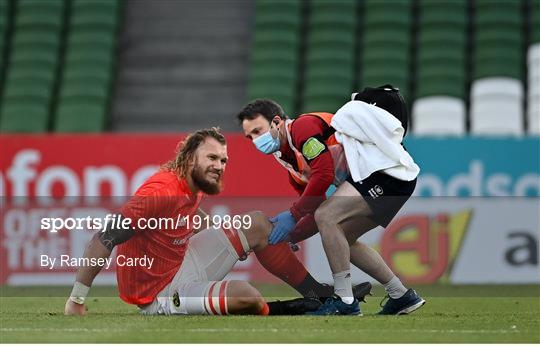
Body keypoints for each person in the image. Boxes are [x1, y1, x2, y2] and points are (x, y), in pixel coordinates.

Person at [63, 128, 357, 316]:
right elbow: (102, 238)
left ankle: (319, 296)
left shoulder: (190, 183)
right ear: (190, 158)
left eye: (223, 159)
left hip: (183, 261)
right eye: (212, 158)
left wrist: (238, 238)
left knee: (256, 224)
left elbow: (192, 214)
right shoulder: (160, 193)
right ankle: (294, 309)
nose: (219, 166)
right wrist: (76, 300)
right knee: (247, 297)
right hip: (161, 293)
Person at [236, 85, 426, 315]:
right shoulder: (291, 166)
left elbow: (324, 175)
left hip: (387, 174)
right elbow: (314, 209)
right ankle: (401, 295)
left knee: (328, 216)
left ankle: (345, 301)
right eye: (249, 137)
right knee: (343, 236)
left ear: (276, 122)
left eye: (258, 131)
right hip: (384, 180)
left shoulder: (302, 128)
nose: (255, 140)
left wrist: (292, 216)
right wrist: (293, 233)